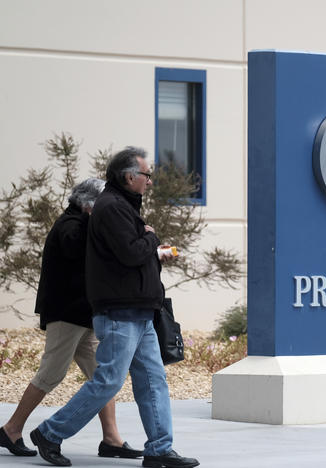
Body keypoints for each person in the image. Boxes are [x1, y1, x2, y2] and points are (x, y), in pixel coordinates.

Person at [30, 147, 199, 468]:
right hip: (120, 311)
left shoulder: (122, 207)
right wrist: (152, 237)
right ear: (129, 176)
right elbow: (131, 253)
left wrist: (149, 244)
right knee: (108, 380)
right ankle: (50, 432)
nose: (150, 182)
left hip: (139, 310)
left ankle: (160, 449)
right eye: (147, 175)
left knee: (153, 380)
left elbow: (132, 254)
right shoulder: (111, 208)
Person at [0, 178, 142, 460]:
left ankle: (111, 439)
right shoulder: (71, 226)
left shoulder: (81, 224)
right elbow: (76, 247)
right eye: (102, 204)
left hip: (84, 316)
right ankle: (11, 429)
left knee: (102, 376)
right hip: (66, 315)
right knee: (52, 373)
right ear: (89, 205)